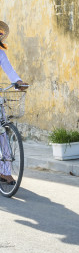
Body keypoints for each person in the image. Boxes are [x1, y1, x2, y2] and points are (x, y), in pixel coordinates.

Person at [0, 20, 28, 185]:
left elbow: (9, 69)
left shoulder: (0, 53)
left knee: (3, 132)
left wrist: (18, 82)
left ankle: (5, 172)